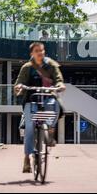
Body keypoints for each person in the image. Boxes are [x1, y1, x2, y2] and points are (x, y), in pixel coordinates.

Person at [14, 42, 66, 173]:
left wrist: (60, 85)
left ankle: (51, 130)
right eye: (37, 51)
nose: (40, 53)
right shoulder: (27, 67)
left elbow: (58, 78)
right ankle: (27, 158)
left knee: (56, 107)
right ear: (32, 53)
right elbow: (19, 82)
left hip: (48, 97)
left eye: (42, 50)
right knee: (30, 129)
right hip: (31, 100)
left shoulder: (51, 65)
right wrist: (19, 87)